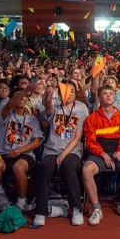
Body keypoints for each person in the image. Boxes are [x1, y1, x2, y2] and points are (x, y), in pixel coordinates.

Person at [82, 84, 120, 225]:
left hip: (118, 152)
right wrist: (103, 154)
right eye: (105, 93)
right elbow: (90, 141)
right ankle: (96, 209)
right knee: (86, 170)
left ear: (114, 96)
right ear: (100, 97)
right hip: (99, 153)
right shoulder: (91, 118)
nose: (108, 95)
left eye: (111, 93)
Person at [34, 80, 88, 226]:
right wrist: (49, 91)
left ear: (76, 93)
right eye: (65, 90)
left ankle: (76, 208)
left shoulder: (81, 108)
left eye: (72, 90)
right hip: (51, 149)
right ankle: (41, 211)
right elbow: (47, 105)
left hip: (71, 150)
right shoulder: (55, 106)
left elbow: (78, 137)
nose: (69, 93)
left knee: (68, 166)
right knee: (44, 167)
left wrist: (64, 154)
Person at [0, 85, 43, 212]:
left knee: (18, 168)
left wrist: (20, 150)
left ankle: (21, 202)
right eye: (19, 96)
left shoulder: (32, 119)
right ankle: (1, 196)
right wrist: (25, 90)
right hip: (4, 152)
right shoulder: (6, 115)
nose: (23, 98)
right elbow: (9, 106)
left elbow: (36, 142)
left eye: (25, 96)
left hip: (25, 154)